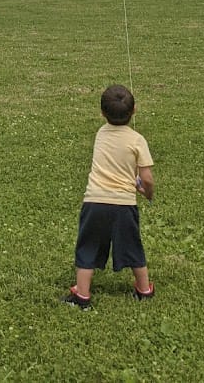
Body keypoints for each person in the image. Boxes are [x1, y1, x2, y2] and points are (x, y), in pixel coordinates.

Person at [63, 84, 155, 309]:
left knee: (88, 246)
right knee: (133, 246)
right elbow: (147, 177)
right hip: (124, 204)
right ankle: (144, 290)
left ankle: (82, 295)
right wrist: (147, 192)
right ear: (135, 111)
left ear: (102, 113)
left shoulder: (101, 133)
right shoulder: (137, 140)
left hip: (94, 201)